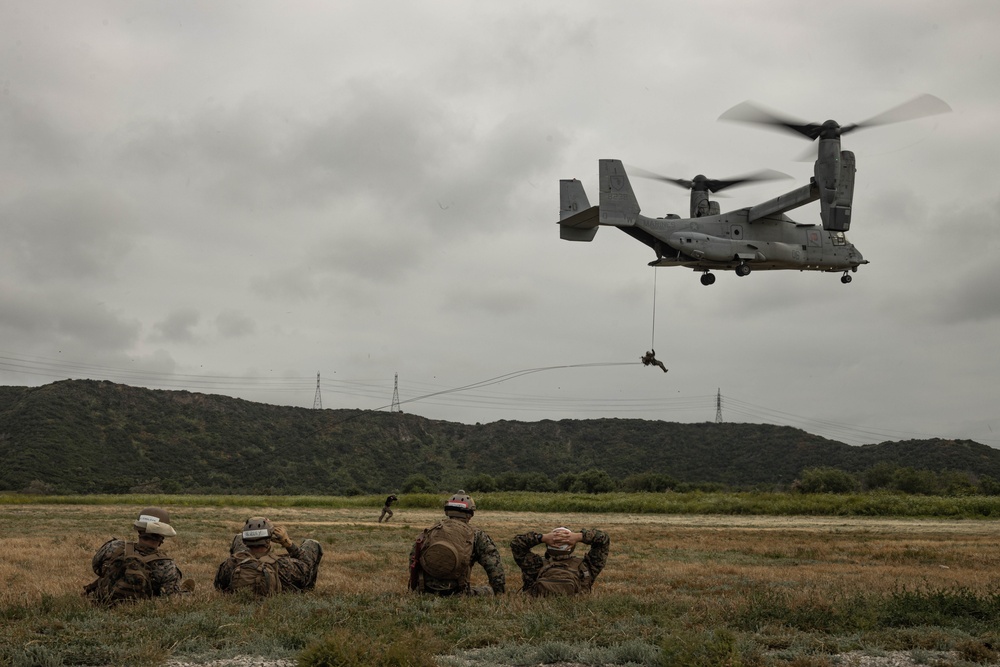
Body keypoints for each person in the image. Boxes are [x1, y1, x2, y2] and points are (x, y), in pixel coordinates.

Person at [84, 506, 189, 605]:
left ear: (139, 529)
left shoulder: (113, 547)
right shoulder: (167, 565)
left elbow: (97, 568)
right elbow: (169, 599)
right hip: (137, 605)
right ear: (162, 536)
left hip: (103, 600)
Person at [408, 490, 505, 596]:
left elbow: (414, 557)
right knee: (487, 591)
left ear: (447, 512)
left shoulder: (432, 530)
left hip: (425, 590)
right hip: (457, 592)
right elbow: (493, 564)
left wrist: (416, 586)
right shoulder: (476, 534)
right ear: (470, 514)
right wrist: (499, 591)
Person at [214, 516, 323, 595]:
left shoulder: (230, 564)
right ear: (268, 540)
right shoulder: (285, 565)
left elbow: (219, 586)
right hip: (281, 589)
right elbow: (307, 568)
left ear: (245, 541)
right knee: (312, 543)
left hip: (239, 587)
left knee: (237, 537)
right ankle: (307, 591)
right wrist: (288, 544)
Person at [509, 526, 610, 596]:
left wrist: (541, 538)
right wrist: (580, 536)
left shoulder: (534, 565)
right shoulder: (587, 566)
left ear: (548, 545)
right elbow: (603, 539)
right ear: (572, 546)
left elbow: (516, 544)